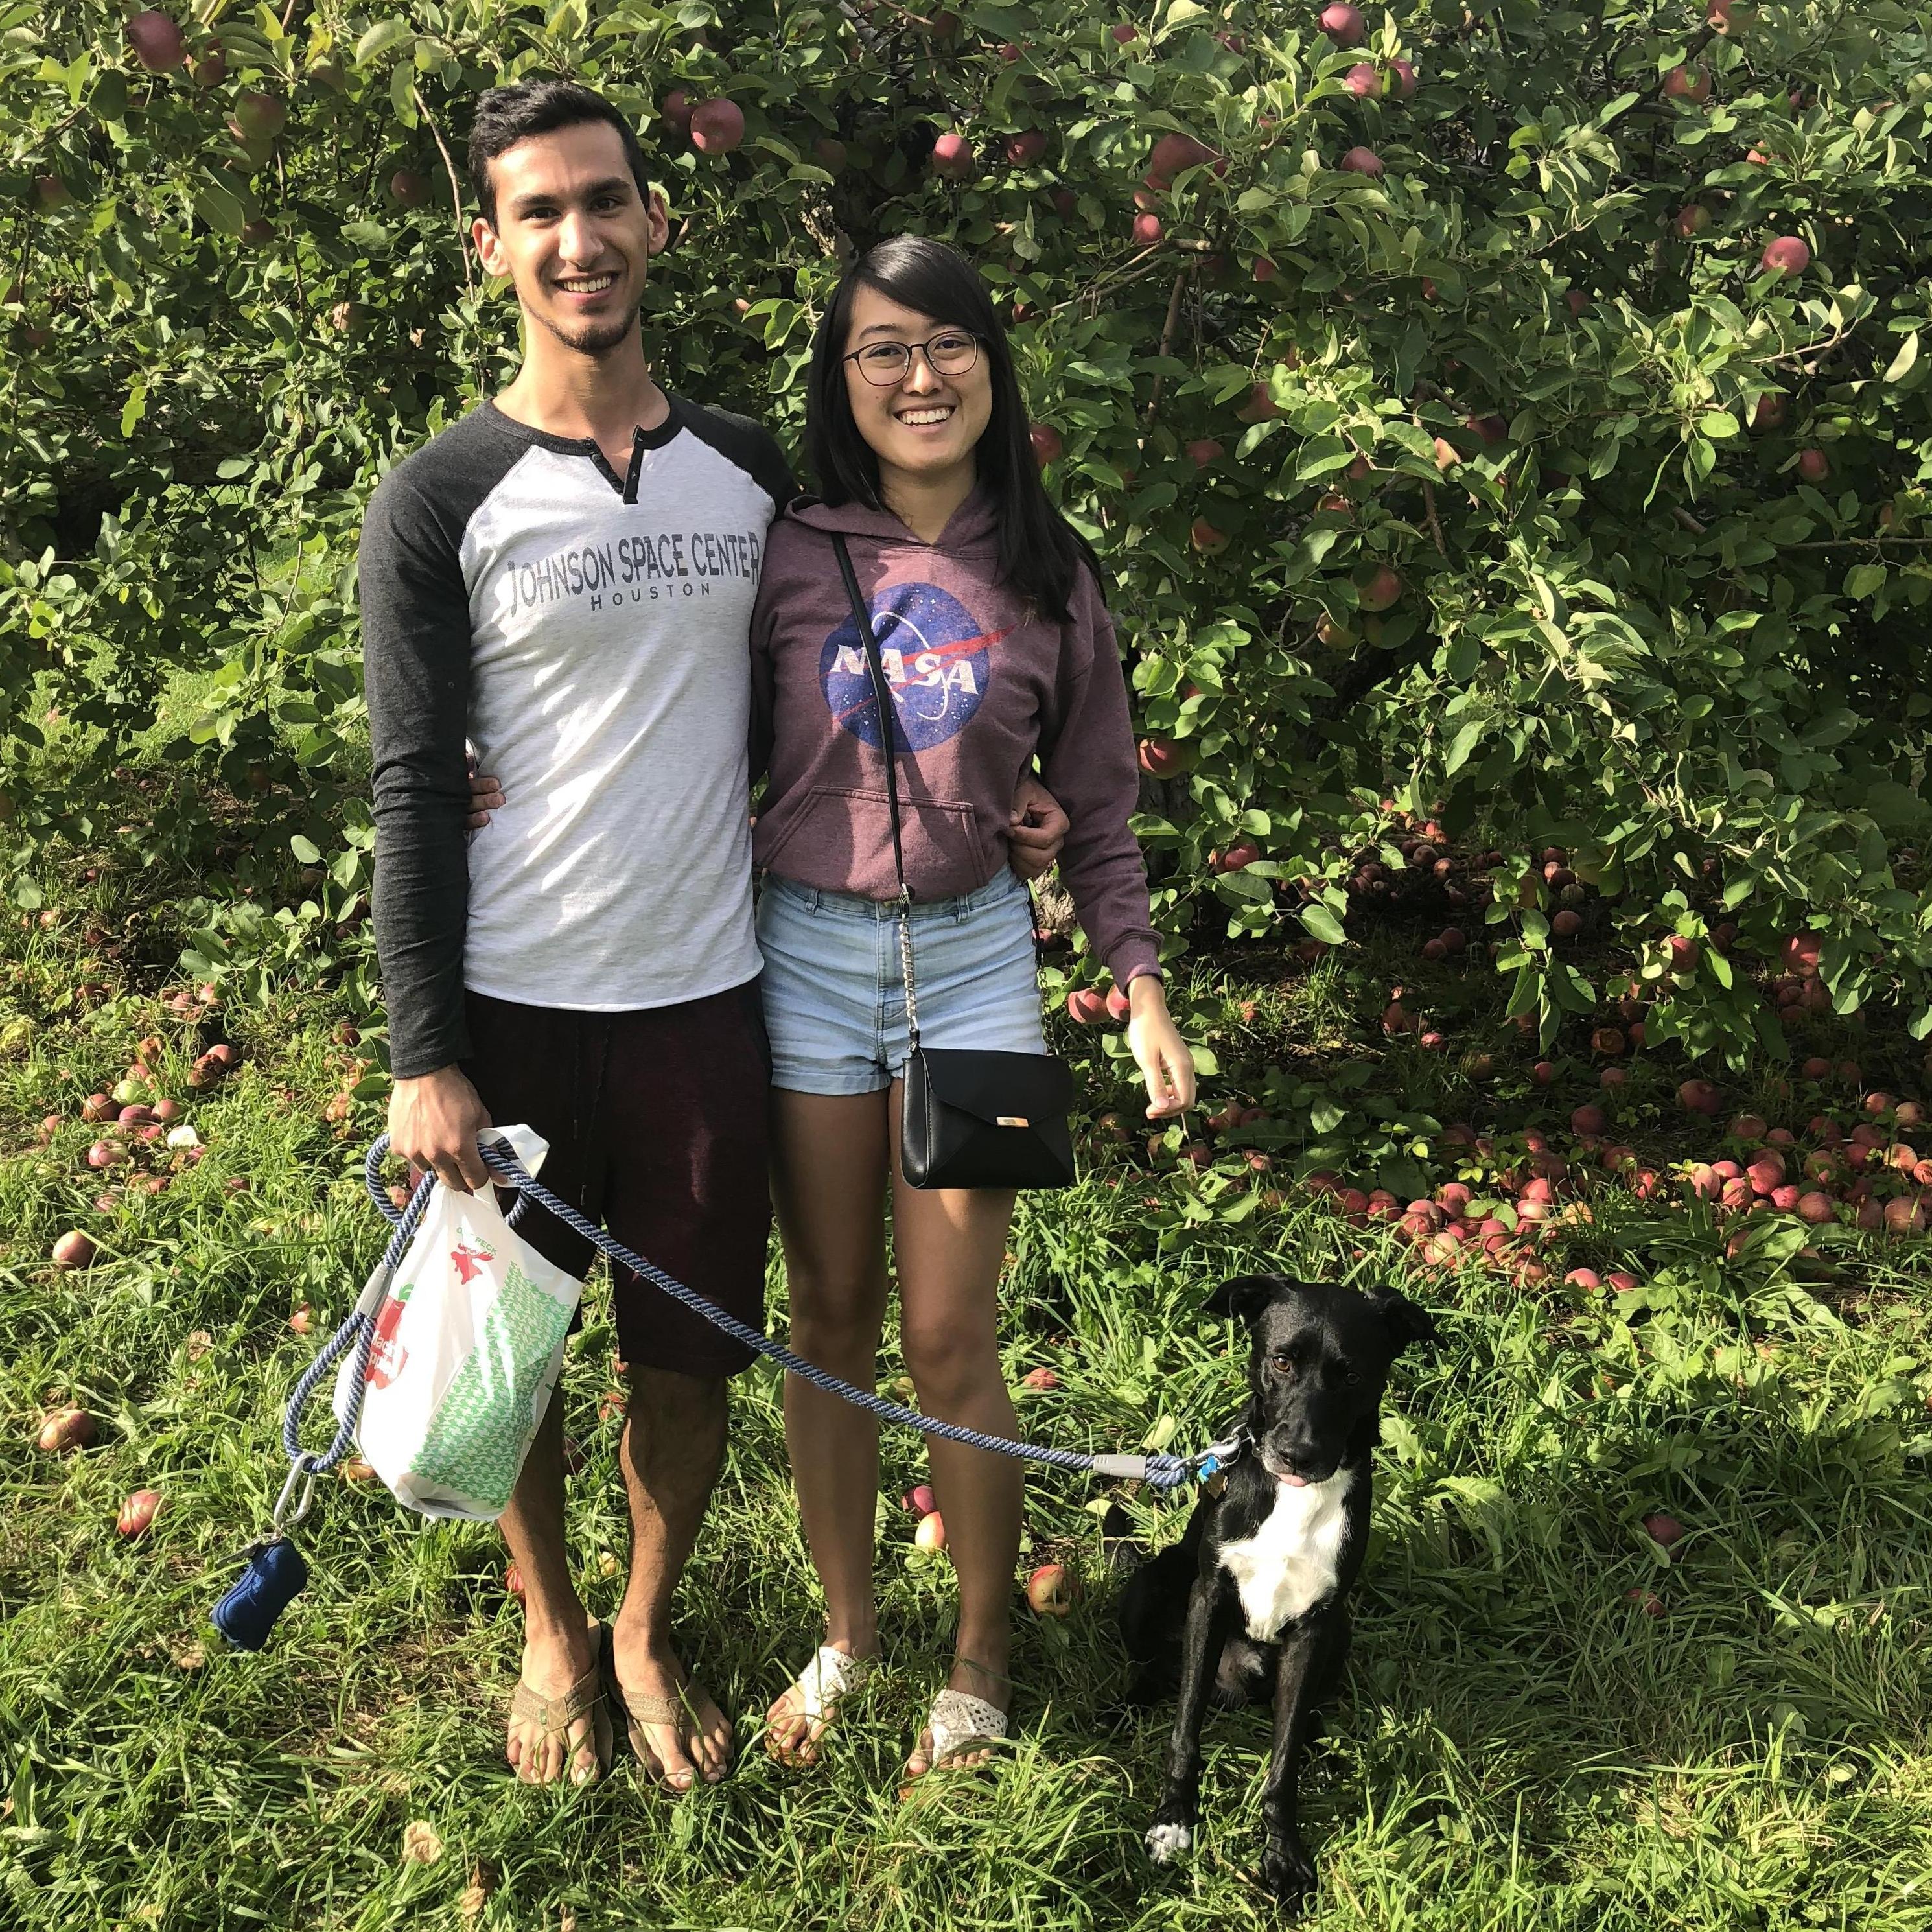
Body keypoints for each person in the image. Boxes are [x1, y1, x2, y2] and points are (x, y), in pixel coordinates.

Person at [361, 79, 1070, 1793]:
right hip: (514, 1008)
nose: (577, 238)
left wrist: (997, 800)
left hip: (712, 998)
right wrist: (420, 1049)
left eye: (602, 201)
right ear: (490, 248)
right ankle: (547, 1624)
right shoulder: (437, 494)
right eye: (537, 212)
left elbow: (870, 663)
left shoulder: (752, 471)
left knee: (684, 1366)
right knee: (507, 1359)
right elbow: (405, 778)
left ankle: (642, 1620)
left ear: (654, 221)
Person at [751, 235, 1196, 1782]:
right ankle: (850, 1636)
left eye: (946, 345)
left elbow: (1100, 803)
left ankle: (981, 1647)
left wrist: (1138, 986)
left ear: (992, 369)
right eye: (881, 350)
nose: (918, 376)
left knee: (948, 1335)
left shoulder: (1046, 570)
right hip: (800, 955)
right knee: (824, 1323)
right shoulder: (788, 548)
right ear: (842, 377)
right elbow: (671, 733)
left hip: (973, 960)